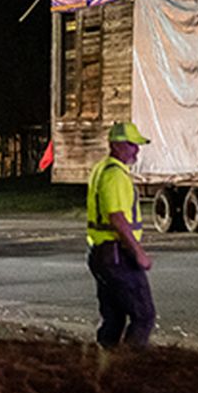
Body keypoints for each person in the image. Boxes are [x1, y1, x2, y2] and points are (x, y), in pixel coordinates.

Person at [85, 121, 156, 348]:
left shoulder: (101, 169)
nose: (136, 150)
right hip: (117, 255)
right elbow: (117, 217)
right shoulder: (114, 176)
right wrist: (139, 253)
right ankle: (129, 368)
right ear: (116, 146)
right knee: (143, 315)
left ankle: (104, 366)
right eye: (132, 145)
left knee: (114, 318)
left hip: (102, 254)